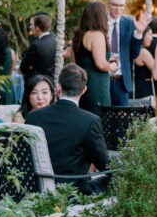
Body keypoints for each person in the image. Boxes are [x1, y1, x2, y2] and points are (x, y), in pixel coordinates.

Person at [25, 64, 110, 195]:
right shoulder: (89, 121)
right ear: (84, 90)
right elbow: (105, 165)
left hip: (36, 189)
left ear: (58, 88)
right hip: (72, 193)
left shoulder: (33, 116)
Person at [72, 0, 116, 115]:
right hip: (97, 87)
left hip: (82, 86)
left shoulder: (78, 36)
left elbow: (73, 63)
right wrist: (112, 66)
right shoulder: (97, 35)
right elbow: (100, 64)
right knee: (99, 121)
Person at [105, 0, 146, 107]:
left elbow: (134, 54)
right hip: (103, 79)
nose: (118, 9)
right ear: (108, 4)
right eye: (115, 5)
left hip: (122, 81)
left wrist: (139, 33)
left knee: (121, 119)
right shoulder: (101, 22)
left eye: (121, 6)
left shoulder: (129, 23)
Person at [19, 13, 57, 80]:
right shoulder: (55, 41)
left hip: (37, 80)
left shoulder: (36, 45)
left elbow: (24, 67)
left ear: (37, 28)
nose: (30, 27)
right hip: (52, 80)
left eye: (32, 25)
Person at [132, 27, 156, 100]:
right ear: (142, 35)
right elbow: (156, 71)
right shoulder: (143, 52)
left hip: (133, 91)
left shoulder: (131, 50)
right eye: (149, 35)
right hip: (144, 93)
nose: (151, 38)